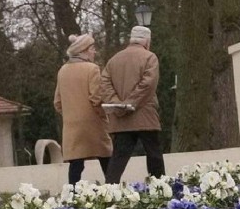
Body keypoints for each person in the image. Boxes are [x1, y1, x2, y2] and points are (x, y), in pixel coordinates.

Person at [101, 26, 165, 183]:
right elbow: (148, 85)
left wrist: (118, 105)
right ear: (147, 41)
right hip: (145, 115)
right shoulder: (150, 58)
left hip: (121, 118)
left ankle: (109, 190)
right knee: (154, 154)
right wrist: (130, 104)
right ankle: (160, 188)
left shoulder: (113, 60)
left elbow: (104, 84)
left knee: (119, 157)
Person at [54, 33, 112, 185]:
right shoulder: (92, 69)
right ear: (84, 50)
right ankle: (114, 191)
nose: (94, 52)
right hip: (93, 124)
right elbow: (96, 98)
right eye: (92, 48)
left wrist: (69, 115)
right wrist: (104, 116)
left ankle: (72, 196)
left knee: (76, 164)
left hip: (71, 125)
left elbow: (57, 102)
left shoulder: (63, 70)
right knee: (106, 158)